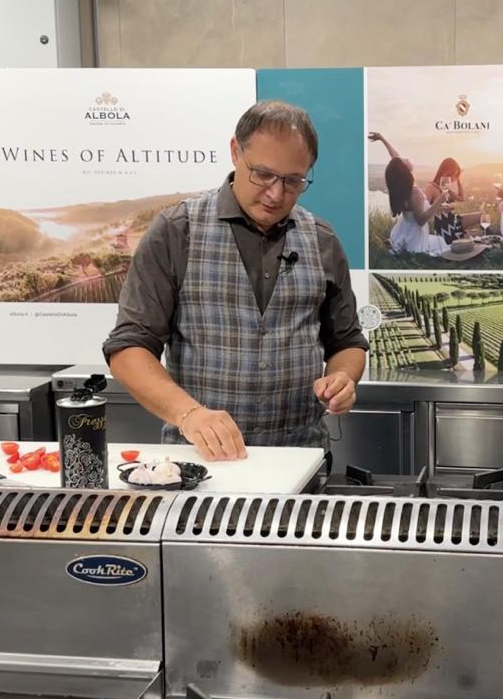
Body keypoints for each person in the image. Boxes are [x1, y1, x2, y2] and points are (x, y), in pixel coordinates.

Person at [104, 100, 368, 462]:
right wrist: (189, 414)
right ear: (235, 151)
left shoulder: (322, 239)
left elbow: (348, 342)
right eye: (263, 174)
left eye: (293, 181)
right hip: (200, 465)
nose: (276, 194)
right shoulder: (177, 231)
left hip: (300, 461)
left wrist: (343, 378)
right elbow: (127, 348)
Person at [424, 158, 467, 243]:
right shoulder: (431, 187)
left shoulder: (445, 188)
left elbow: (461, 198)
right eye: (451, 175)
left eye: (455, 175)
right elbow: (424, 210)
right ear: (443, 172)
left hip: (453, 222)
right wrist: (440, 208)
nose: (453, 178)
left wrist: (458, 179)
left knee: (481, 216)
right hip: (442, 227)